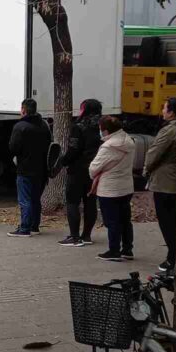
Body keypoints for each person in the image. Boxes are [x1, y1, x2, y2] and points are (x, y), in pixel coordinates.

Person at [89, 116, 136, 262]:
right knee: (125, 219)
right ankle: (127, 249)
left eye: (100, 128)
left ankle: (114, 251)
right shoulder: (129, 141)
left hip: (109, 189)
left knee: (112, 221)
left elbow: (94, 168)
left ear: (105, 131)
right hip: (126, 187)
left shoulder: (108, 147)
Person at [58, 99, 103, 247]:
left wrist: (63, 161)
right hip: (95, 169)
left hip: (77, 170)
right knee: (90, 202)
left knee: (72, 202)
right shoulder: (102, 127)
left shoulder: (78, 127)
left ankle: (74, 236)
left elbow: (73, 149)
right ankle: (87, 235)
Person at [143, 97, 176, 272]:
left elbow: (154, 153)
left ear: (172, 112)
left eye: (165, 108)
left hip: (165, 183)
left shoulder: (169, 131)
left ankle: (173, 258)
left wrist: (146, 170)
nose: (163, 111)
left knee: (168, 223)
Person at [7, 99, 52, 237]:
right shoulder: (44, 125)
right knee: (35, 199)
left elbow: (13, 148)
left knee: (25, 199)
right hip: (41, 168)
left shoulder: (20, 126)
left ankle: (24, 228)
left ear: (23, 110)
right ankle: (34, 226)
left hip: (25, 168)